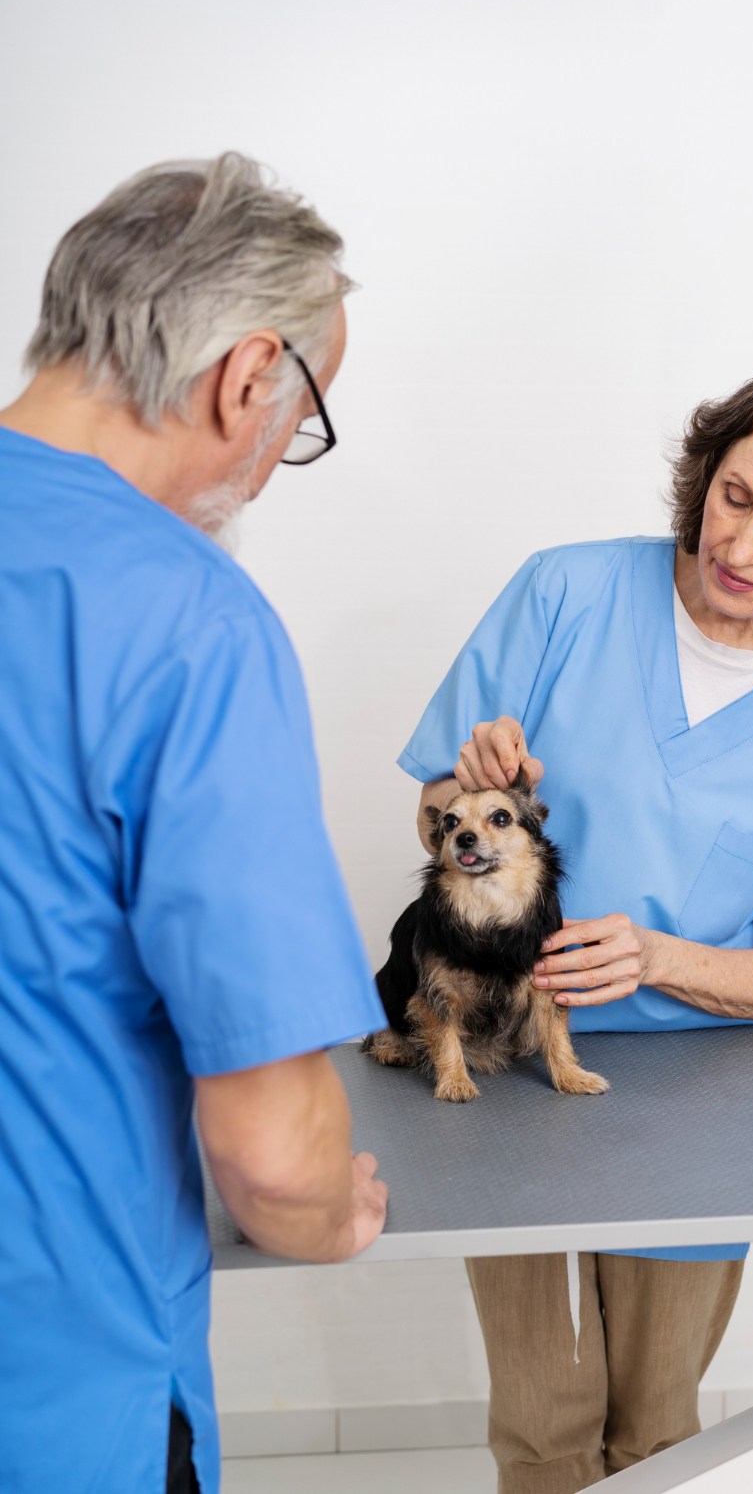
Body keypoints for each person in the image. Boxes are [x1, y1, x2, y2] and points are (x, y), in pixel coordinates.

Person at [399, 365, 753, 1493]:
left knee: (661, 1439)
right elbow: (434, 810)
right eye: (733, 497)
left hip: (700, 1102)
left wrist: (659, 960)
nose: (740, 545)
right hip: (509, 1070)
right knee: (543, 1431)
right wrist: (464, 781)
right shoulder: (564, 592)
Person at [0, 154, 389, 1494]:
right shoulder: (187, 624)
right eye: (301, 420)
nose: (276, 465)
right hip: (58, 1402)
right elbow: (274, 1161)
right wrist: (335, 1215)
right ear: (245, 378)